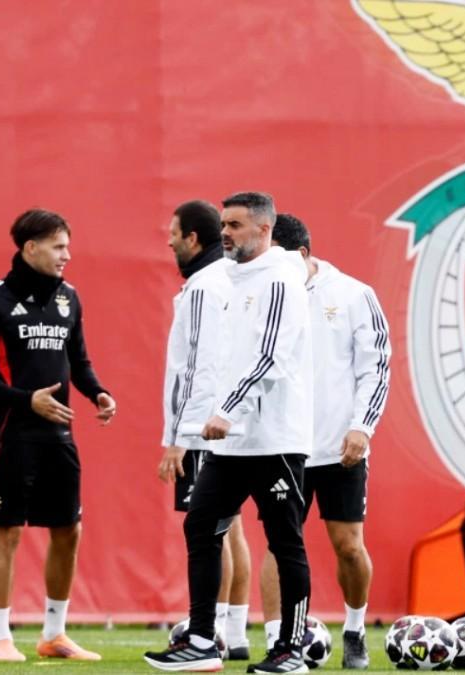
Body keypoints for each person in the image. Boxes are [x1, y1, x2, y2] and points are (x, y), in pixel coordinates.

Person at [145, 192, 314, 674]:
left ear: (265, 230)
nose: (226, 233)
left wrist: (226, 409)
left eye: (236, 225)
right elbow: (214, 359)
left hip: (275, 438)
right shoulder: (227, 280)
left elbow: (271, 357)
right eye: (223, 224)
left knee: (285, 542)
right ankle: (201, 640)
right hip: (230, 441)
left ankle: (290, 650)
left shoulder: (281, 279)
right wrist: (202, 420)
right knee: (201, 525)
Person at [0, 209, 116, 662]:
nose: (67, 255)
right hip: (14, 433)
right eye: (58, 246)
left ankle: (54, 634)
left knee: (69, 529)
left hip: (60, 434)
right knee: (7, 532)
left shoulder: (70, 298)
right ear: (30, 248)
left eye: (67, 245)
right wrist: (25, 399)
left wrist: (99, 393)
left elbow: (79, 362)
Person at [258, 213, 390, 669]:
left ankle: (354, 631)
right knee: (280, 542)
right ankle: (279, 641)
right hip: (282, 443)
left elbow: (376, 367)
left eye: (277, 258)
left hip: (339, 445)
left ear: (302, 255)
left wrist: (363, 427)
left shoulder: (355, 295)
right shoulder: (264, 294)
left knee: (348, 545)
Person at [158, 200, 253, 660]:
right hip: (227, 422)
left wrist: (178, 438)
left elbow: (196, 366)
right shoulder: (231, 280)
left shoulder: (203, 286)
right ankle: (233, 633)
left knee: (210, 530)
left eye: (174, 233)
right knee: (230, 528)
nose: (170, 241)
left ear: (193, 238)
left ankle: (208, 633)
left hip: (204, 426)